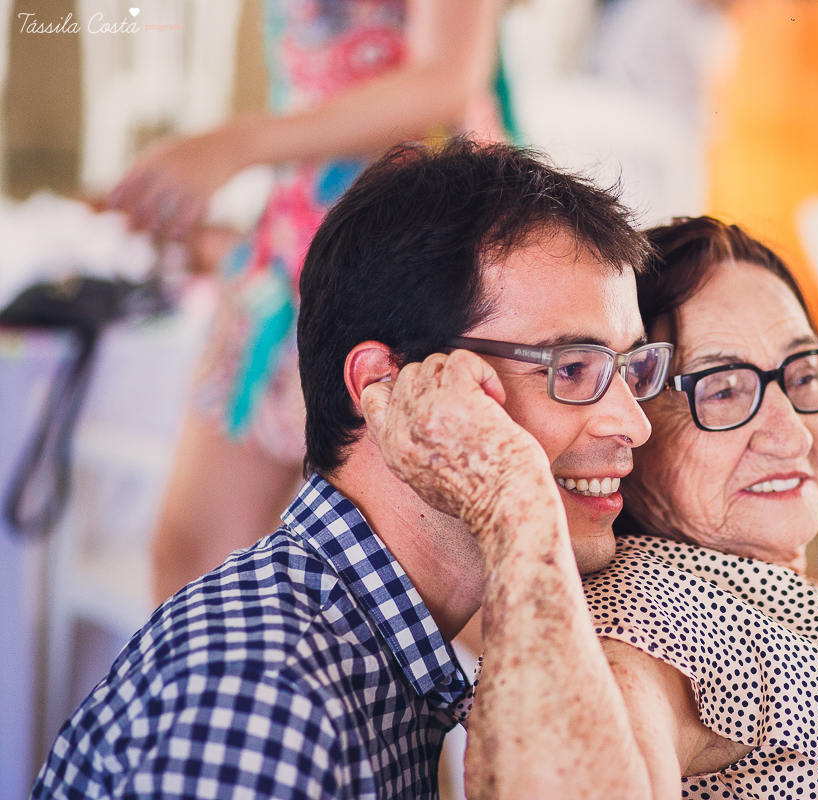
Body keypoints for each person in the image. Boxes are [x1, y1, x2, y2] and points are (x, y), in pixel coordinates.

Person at [32, 139, 676, 799]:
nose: (634, 423)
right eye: (572, 368)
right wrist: (518, 504)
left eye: (631, 369)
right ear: (384, 386)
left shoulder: (367, 653)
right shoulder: (266, 700)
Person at [108, 0, 511, 603]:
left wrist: (232, 144)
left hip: (407, 255)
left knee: (419, 584)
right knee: (193, 555)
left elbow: (446, 80)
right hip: (288, 250)